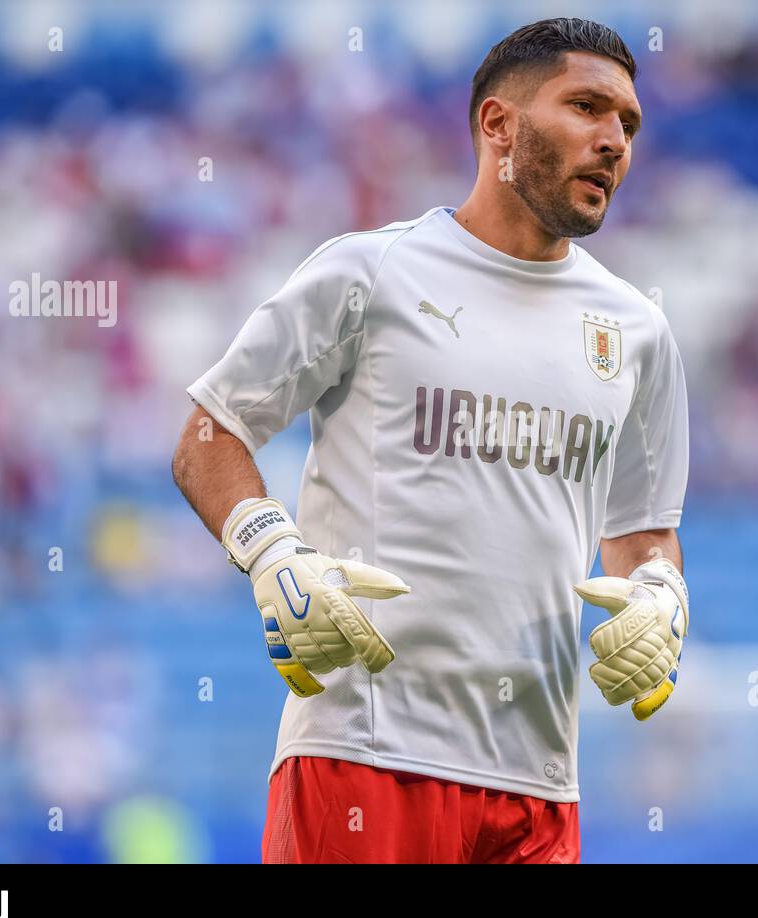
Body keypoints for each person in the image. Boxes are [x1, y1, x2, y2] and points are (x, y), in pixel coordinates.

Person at [172, 17, 690, 864]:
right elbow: (207, 431)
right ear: (498, 126)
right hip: (362, 758)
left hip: (540, 787)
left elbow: (642, 531)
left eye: (628, 124)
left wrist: (662, 597)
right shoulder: (370, 273)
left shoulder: (638, 330)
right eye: (588, 108)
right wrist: (272, 555)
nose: (613, 141)